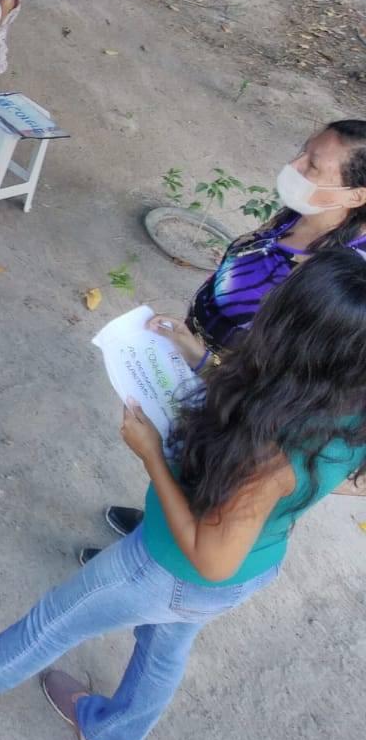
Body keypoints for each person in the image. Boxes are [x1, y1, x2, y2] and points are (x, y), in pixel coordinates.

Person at [0, 248, 366, 740]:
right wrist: (200, 360)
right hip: (253, 564)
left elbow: (209, 558)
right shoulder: (344, 409)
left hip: (175, 565)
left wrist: (151, 456)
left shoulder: (269, 456)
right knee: (163, 647)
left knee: (58, 619)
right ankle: (112, 738)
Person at [84, 119, 366, 555]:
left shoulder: (338, 282)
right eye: (302, 151)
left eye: (312, 165)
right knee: (181, 463)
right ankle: (153, 525)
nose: (293, 166)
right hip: (206, 366)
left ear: (356, 196)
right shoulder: (304, 214)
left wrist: (204, 362)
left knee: (203, 488)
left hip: (243, 404)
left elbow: (285, 382)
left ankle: (145, 557)